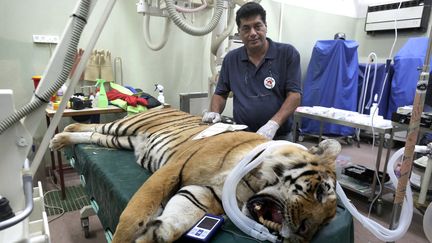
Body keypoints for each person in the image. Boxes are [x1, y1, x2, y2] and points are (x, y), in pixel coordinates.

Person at [202, 2, 302, 140]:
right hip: (243, 135)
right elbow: (220, 93)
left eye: (257, 26)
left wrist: (273, 124)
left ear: (266, 26)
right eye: (246, 28)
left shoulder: (287, 54)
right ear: (239, 32)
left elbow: (295, 95)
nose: (253, 33)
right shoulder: (231, 59)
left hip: (279, 136)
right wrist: (215, 112)